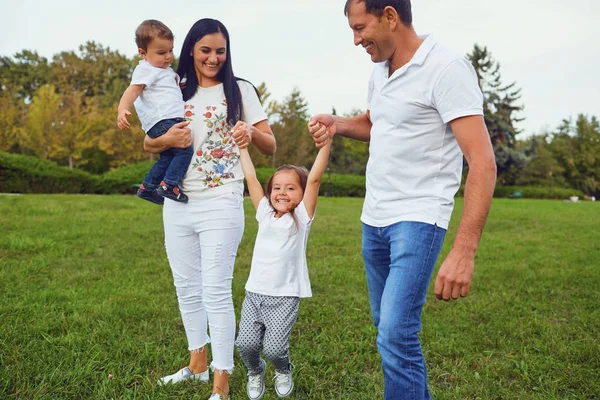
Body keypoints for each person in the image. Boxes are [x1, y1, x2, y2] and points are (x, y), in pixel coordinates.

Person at [308, 1, 497, 399]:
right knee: (388, 330)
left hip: (418, 219)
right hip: (374, 217)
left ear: (390, 16)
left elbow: (482, 163)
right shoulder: (381, 69)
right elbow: (377, 123)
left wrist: (464, 251)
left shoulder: (446, 68)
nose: (357, 40)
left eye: (361, 29)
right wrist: (337, 124)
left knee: (396, 333)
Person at [142, 18, 276, 400]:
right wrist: (164, 137)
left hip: (221, 199)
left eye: (220, 50)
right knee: (186, 287)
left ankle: (222, 381)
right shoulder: (172, 86)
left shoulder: (241, 90)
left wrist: (251, 133)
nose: (214, 57)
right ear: (190, 51)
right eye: (205, 50)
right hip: (177, 200)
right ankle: (197, 365)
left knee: (215, 290)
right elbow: (148, 144)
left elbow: (271, 145)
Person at [235, 134, 331, 400]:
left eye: (290, 188)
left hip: (284, 297)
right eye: (277, 188)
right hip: (254, 294)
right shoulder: (264, 214)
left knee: (275, 348)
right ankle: (255, 371)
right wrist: (243, 148)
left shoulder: (300, 219)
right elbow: (251, 179)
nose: (282, 193)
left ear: (301, 194)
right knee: (245, 344)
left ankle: (282, 368)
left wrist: (325, 145)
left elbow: (314, 179)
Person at [117, 19, 192, 204]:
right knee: (184, 150)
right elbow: (132, 90)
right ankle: (169, 185)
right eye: (161, 52)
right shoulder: (146, 69)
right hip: (164, 119)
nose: (168, 56)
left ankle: (148, 188)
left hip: (161, 121)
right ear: (143, 53)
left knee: (167, 155)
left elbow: (170, 89)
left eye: (170, 50)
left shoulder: (163, 70)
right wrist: (122, 109)